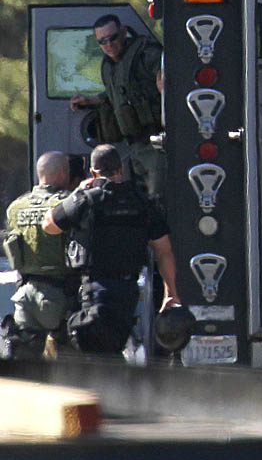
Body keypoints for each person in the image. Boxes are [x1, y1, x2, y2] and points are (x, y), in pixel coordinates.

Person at [41, 144, 180, 355]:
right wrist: (171, 292)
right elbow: (164, 251)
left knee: (91, 347)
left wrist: (78, 191)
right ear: (121, 170)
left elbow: (49, 226)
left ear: (93, 172)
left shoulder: (86, 200)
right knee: (114, 345)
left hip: (96, 288)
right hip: (129, 291)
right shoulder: (141, 202)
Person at [69, 14, 166, 210]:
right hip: (135, 145)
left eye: (112, 38)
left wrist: (164, 80)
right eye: (102, 41)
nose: (109, 45)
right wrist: (90, 101)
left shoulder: (145, 53)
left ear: (123, 32)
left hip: (156, 142)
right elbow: (115, 94)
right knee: (142, 199)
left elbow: (167, 73)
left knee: (159, 199)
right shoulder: (109, 66)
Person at [1, 152, 77, 359]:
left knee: (25, 364)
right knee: (70, 366)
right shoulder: (69, 204)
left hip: (25, 295)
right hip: (62, 297)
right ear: (63, 173)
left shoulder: (15, 207)